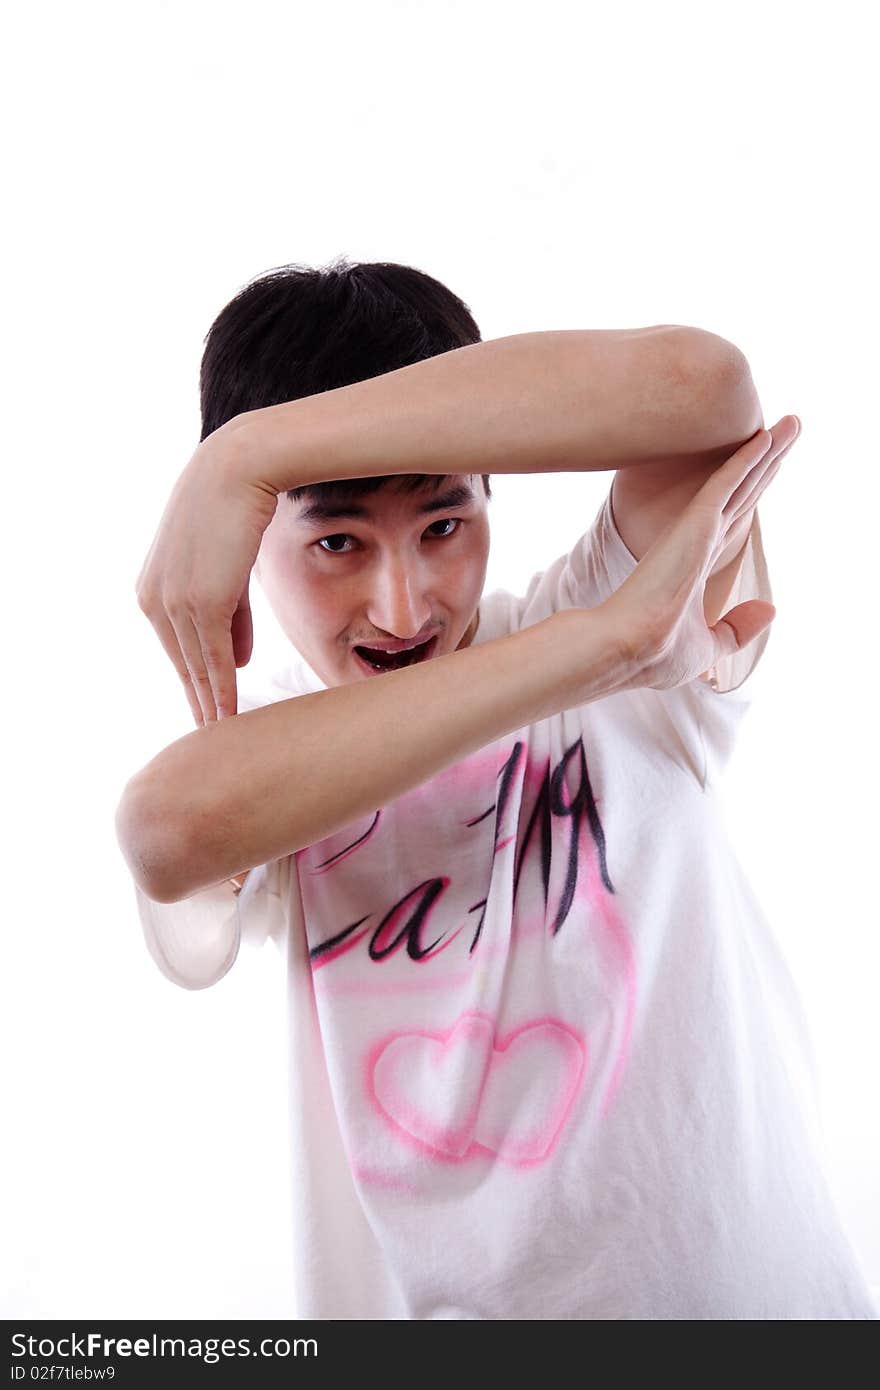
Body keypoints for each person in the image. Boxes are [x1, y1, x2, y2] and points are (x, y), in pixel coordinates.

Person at [116, 258, 878, 1320]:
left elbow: (703, 386)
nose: (403, 603)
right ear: (251, 542)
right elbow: (167, 825)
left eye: (443, 524)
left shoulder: (616, 614)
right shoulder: (275, 756)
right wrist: (601, 648)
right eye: (337, 539)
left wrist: (251, 451)